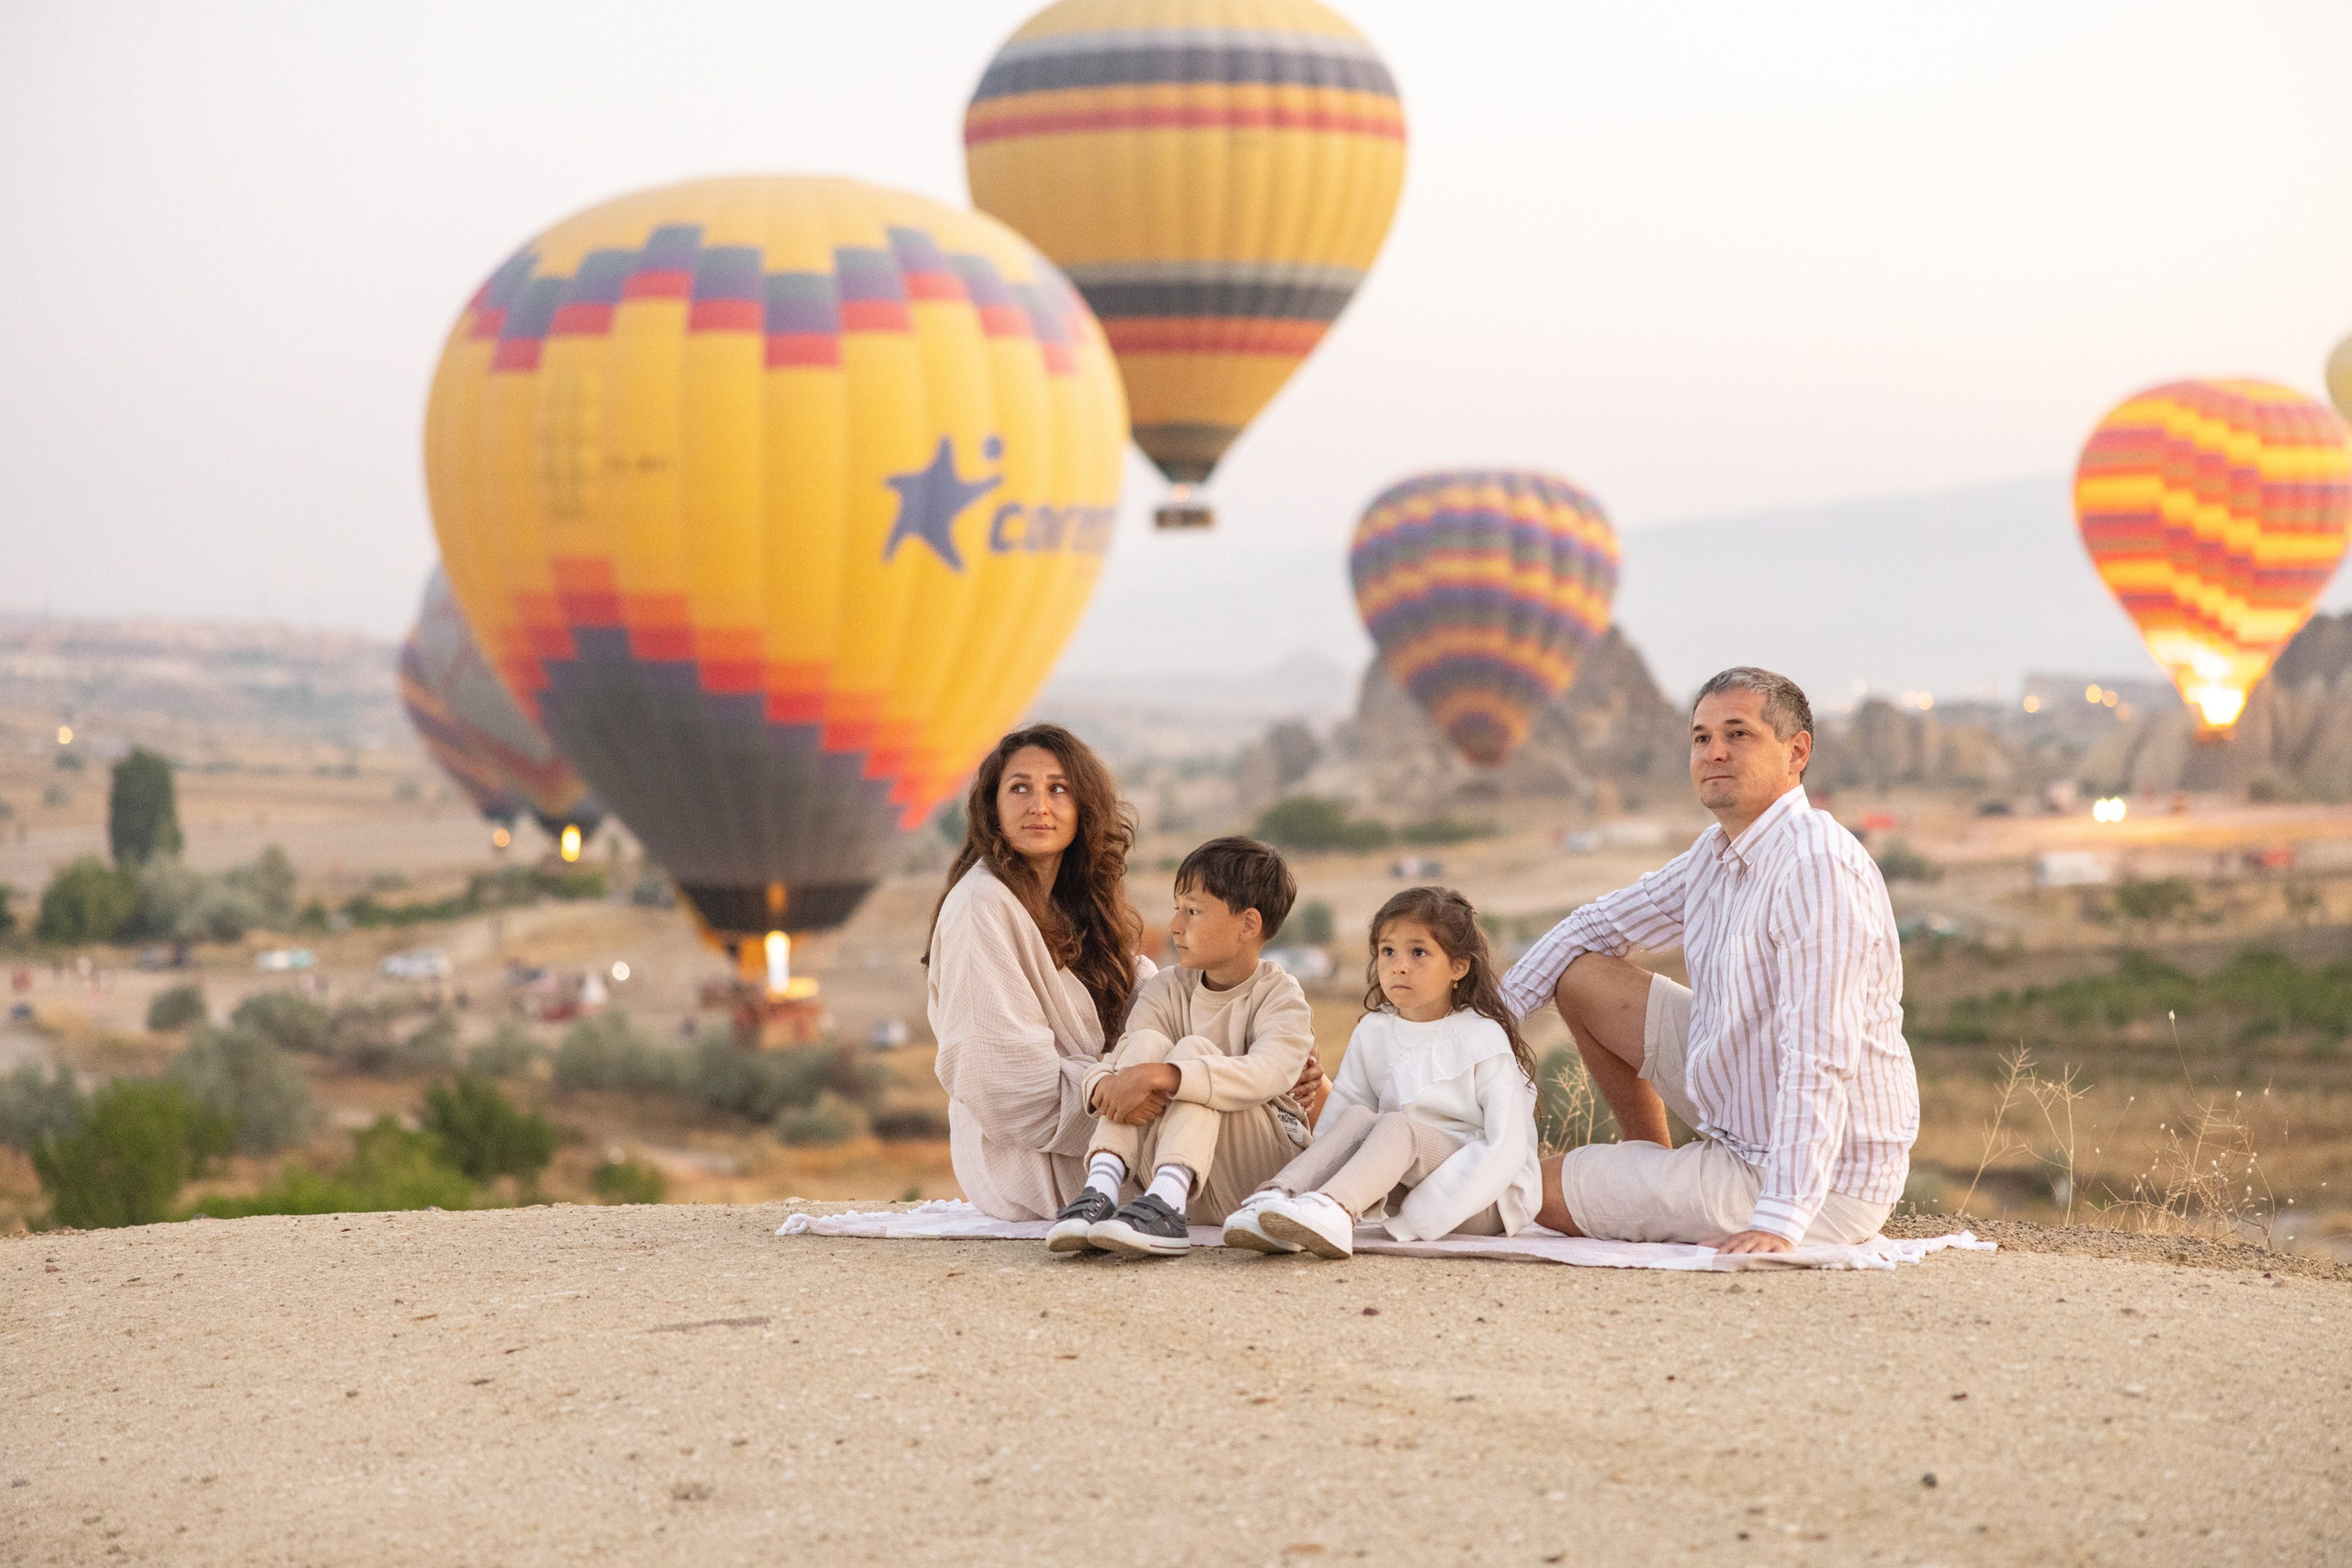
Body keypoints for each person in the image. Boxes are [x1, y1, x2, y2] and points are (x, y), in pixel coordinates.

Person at [1500, 667, 1918, 1254]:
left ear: (1796, 752)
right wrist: (1478, 1026)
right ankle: (1648, 1164)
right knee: (1582, 974)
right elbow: (1593, 926)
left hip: (1820, 1181)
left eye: (1738, 735)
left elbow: (1819, 1055)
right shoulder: (1716, 853)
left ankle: (1654, 1188)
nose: (1714, 752)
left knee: (1522, 1189)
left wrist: (1780, 1218)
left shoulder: (1816, 867)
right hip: (1743, 1112)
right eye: (1701, 738)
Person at [1227, 886, 1542, 1260]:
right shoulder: (1375, 1030)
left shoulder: (1482, 1036)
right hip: (1405, 1178)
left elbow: (1504, 1146)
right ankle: (1282, 1200)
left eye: (1419, 952)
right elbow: (1343, 1115)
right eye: (1387, 951)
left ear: (1459, 966)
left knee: (1395, 1125)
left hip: (1484, 1196)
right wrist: (1319, 1175)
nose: (1399, 965)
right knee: (1360, 1116)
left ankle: (1334, 1210)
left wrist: (1425, 1212)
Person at [1045, 836, 1316, 1258]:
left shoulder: (1281, 996)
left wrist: (1165, 1076)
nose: (1174, 925)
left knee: (1191, 1052)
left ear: (1248, 925)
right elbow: (1125, 1057)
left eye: (1192, 911)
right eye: (1177, 909)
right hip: (1188, 1181)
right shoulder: (1167, 987)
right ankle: (1101, 1188)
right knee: (1150, 1043)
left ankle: (1167, 1209)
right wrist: (1103, 1085)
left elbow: (1269, 1073)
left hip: (1259, 1174)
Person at [925, 725, 1150, 1221]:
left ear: (1084, 807)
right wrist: (1120, 1089)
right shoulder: (981, 905)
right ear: (992, 806)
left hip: (1109, 1133)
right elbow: (1007, 1088)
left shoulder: (1081, 903)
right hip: (1038, 1166)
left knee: (1247, 1078)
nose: (1039, 806)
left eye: (1059, 789)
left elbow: (1150, 998)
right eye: (1020, 787)